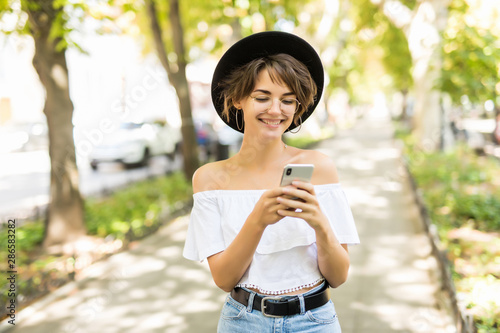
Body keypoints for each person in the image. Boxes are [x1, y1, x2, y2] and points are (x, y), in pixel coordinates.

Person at [183, 31, 360, 332]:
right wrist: (258, 220)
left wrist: (320, 223)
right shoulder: (210, 179)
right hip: (242, 322)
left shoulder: (318, 167)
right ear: (238, 99)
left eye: (287, 101)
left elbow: (339, 276)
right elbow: (224, 279)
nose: (276, 110)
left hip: (315, 321)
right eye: (262, 97)